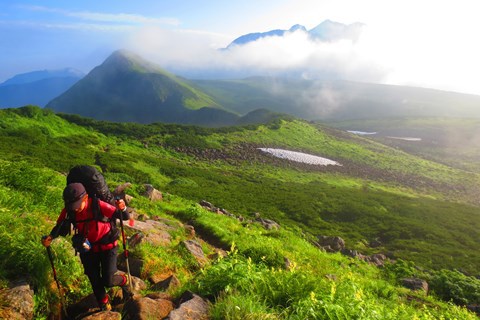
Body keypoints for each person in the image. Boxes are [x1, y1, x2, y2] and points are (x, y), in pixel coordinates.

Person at [41, 183, 132, 311]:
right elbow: (61, 226)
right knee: (93, 276)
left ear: (86, 198)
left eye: (78, 206)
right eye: (72, 206)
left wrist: (122, 208)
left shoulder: (98, 204)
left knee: (108, 280)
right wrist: (50, 237)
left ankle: (124, 280)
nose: (75, 209)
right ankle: (104, 304)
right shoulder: (69, 210)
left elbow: (125, 217)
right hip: (87, 248)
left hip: (108, 246)